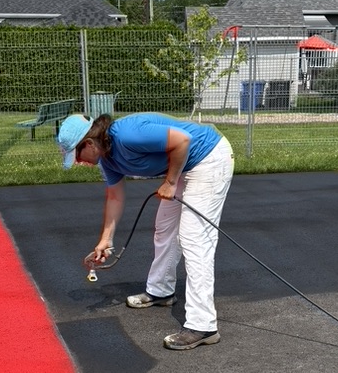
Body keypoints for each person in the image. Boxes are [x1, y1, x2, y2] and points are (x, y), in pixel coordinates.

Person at [57, 112, 234, 350]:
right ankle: (161, 291)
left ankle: (203, 325)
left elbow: (182, 140)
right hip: (183, 164)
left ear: (89, 143)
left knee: (195, 239)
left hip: (208, 158)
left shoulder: (127, 134)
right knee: (164, 229)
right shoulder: (108, 159)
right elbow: (115, 196)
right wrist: (106, 240)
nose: (78, 162)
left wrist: (170, 182)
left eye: (77, 155)